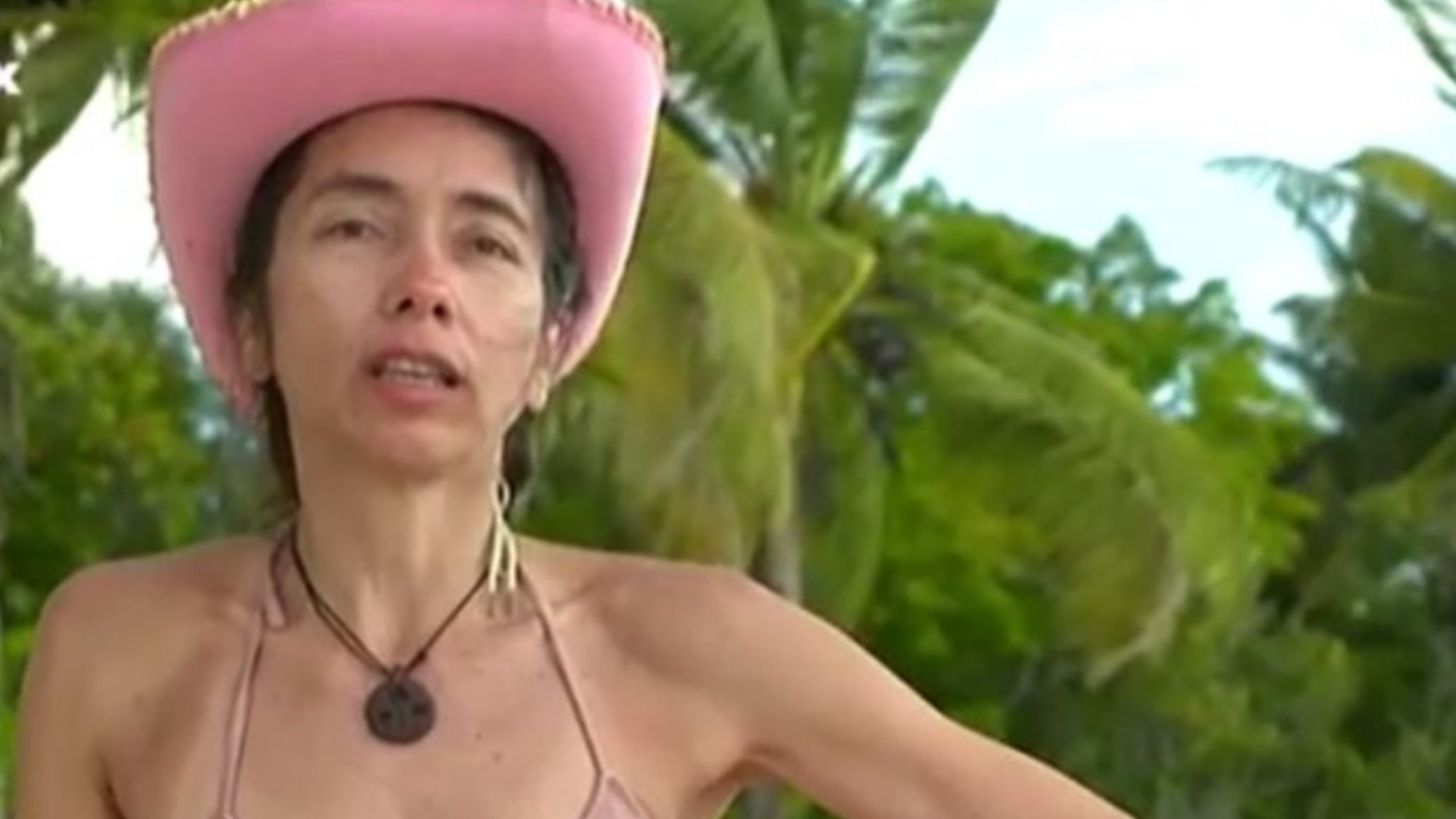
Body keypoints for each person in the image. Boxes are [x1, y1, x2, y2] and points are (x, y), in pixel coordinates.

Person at [14, 0, 1135, 816]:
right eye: (356, 226)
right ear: (252, 321)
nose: (424, 284)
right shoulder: (116, 649)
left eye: (486, 243)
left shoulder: (687, 642)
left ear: (551, 347)